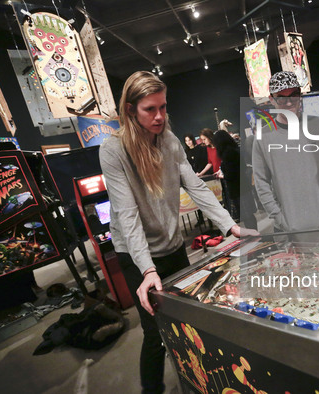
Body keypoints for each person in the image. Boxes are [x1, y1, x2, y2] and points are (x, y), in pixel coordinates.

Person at [99, 71, 253, 393]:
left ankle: (197, 380)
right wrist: (148, 269)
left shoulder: (169, 141)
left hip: (171, 243)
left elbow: (195, 186)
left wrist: (230, 225)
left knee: (188, 319)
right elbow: (127, 215)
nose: (159, 116)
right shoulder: (113, 150)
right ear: (130, 110)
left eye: (163, 107)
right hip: (136, 254)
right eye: (149, 109)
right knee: (155, 332)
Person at [252, 71, 319, 232]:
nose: (289, 103)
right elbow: (261, 182)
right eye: (282, 97)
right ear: (272, 99)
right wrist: (278, 217)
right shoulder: (263, 137)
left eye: (294, 95)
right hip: (287, 226)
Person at [213, 129, 258, 230]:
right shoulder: (233, 149)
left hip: (238, 189)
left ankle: (255, 236)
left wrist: (222, 175)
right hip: (243, 186)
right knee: (248, 215)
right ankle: (254, 234)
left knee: (247, 215)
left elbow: (231, 174)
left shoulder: (228, 154)